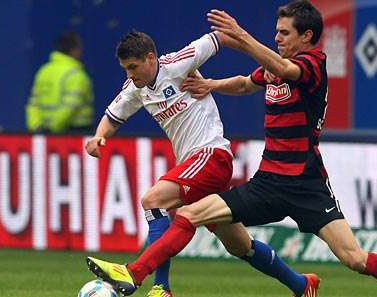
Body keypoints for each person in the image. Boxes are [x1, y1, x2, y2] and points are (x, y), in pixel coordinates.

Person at [86, 2, 377, 297]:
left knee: (354, 259)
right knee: (195, 219)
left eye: (284, 33)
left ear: (307, 36)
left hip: (307, 184)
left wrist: (242, 37)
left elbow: (284, 67)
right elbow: (245, 83)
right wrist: (211, 84)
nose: (277, 37)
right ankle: (135, 275)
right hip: (269, 182)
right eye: (275, 32)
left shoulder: (312, 64)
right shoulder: (272, 70)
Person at [85, 29, 319, 297]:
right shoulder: (135, 89)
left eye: (133, 67)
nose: (129, 74)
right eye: (125, 69)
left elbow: (222, 37)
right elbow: (112, 117)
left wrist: (269, 62)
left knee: (153, 200)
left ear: (151, 58)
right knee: (242, 246)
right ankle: (302, 285)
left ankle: (161, 288)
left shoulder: (178, 63)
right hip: (195, 168)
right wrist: (99, 137)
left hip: (211, 155)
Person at [26, 32, 94, 134]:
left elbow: (33, 104)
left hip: (43, 132)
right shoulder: (76, 75)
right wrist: (53, 129)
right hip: (75, 133)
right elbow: (70, 107)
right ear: (74, 50)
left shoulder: (43, 71)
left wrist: (36, 127)